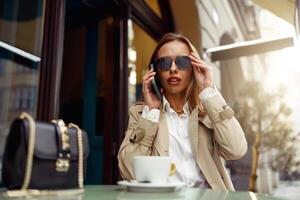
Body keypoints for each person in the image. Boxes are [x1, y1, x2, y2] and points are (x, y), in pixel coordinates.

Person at [118, 33, 247, 191]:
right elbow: (128, 172)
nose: (173, 69)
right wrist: (150, 113)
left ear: (194, 67)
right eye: (164, 63)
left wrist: (209, 92)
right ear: (155, 71)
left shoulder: (208, 110)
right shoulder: (141, 113)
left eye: (182, 62)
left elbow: (236, 150)